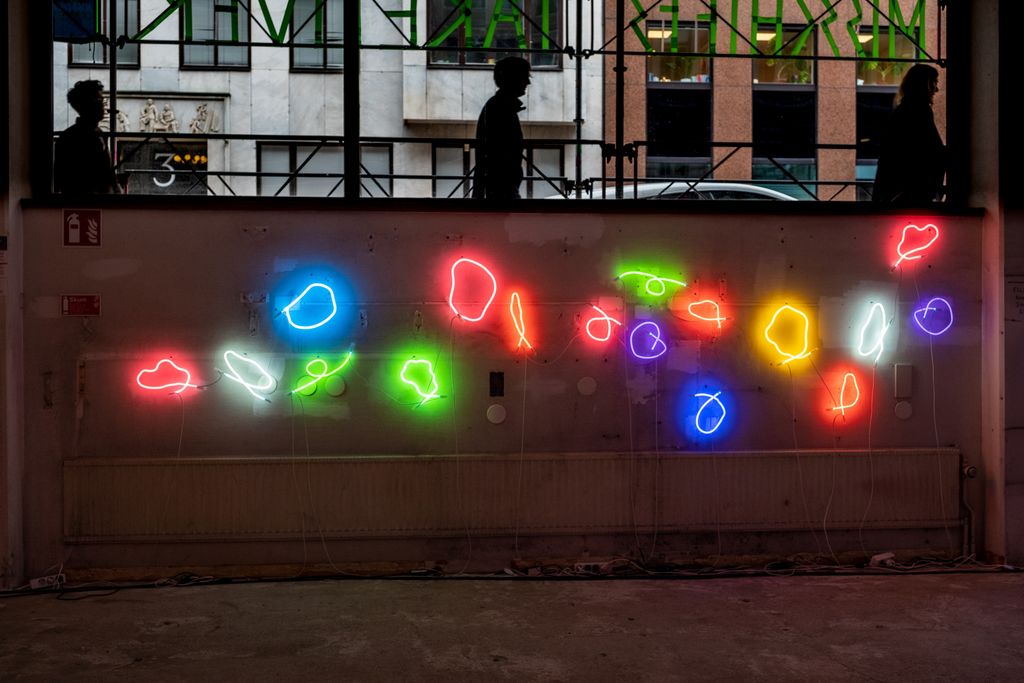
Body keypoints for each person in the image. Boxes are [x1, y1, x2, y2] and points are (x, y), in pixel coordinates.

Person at [872, 64, 946, 204]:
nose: (936, 89)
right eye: (934, 82)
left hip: (898, 188)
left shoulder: (902, 110)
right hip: (914, 188)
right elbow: (932, 148)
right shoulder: (921, 110)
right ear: (925, 84)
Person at [473, 56, 531, 200]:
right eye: (525, 77)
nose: (528, 82)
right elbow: (504, 156)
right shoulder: (502, 110)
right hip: (502, 189)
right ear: (513, 79)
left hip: (498, 189)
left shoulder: (496, 106)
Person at [53, 80, 117, 194]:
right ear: (88, 104)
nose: (104, 104)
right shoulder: (71, 138)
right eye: (99, 100)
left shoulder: (96, 133)